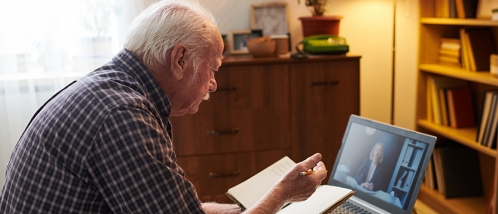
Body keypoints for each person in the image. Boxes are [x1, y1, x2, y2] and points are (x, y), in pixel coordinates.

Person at [0, 0, 328, 213]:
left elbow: (173, 207)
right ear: (180, 59)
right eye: (212, 69)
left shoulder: (111, 90)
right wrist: (283, 195)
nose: (213, 83)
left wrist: (248, 207)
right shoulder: (123, 116)